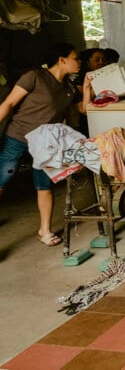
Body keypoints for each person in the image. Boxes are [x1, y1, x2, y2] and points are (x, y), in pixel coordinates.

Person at [0, 42, 89, 246]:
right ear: (62, 59)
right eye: (76, 58)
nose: (79, 62)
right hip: (18, 136)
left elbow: (82, 109)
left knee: (44, 184)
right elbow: (9, 103)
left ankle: (45, 231)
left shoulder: (68, 88)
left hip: (45, 144)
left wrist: (86, 88)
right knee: (2, 180)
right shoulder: (35, 77)